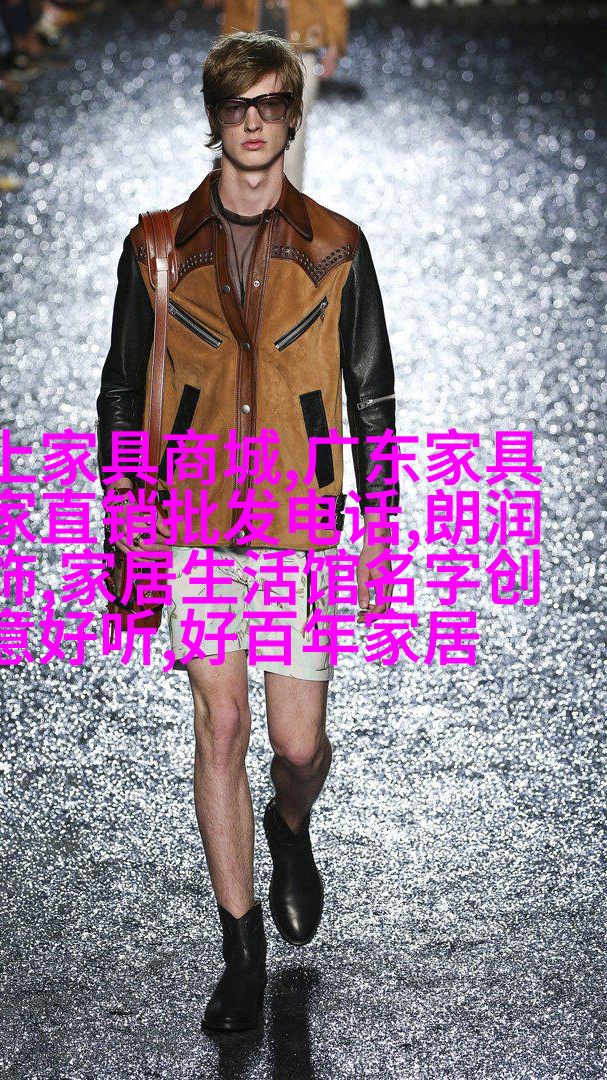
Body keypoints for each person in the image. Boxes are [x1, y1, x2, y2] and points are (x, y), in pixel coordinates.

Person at [96, 30, 399, 1033]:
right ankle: (240, 950)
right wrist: (125, 513)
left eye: (272, 104)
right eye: (238, 105)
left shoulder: (338, 246)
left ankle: (290, 820)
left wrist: (378, 527)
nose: (255, 121)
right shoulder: (156, 246)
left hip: (299, 526)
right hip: (191, 521)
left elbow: (370, 392)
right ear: (215, 117)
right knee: (220, 725)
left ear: (294, 116)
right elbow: (120, 390)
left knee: (297, 744)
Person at [204, 0, 348, 189]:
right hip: (246, 53)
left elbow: (333, 4)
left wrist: (334, 46)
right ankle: (241, 199)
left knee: (292, 137)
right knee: (239, 132)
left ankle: (288, 202)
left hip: (299, 51)